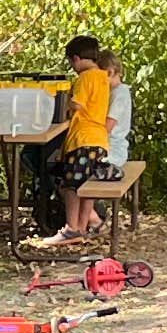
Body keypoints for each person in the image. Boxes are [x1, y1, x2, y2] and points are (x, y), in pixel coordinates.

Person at [51, 34, 120, 243]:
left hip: (83, 139)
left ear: (76, 59)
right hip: (99, 139)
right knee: (86, 185)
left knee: (71, 186)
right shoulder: (102, 77)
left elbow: (78, 104)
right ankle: (81, 227)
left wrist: (62, 102)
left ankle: (72, 228)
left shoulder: (84, 78)